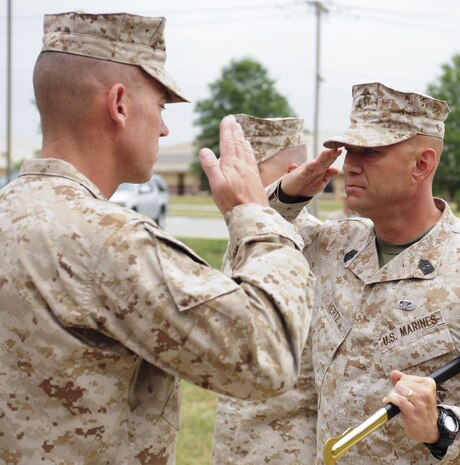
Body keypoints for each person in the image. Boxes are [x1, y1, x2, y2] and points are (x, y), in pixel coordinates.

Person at [0, 12, 315, 464]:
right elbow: (267, 356)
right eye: (163, 106)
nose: (165, 129)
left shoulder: (11, 210)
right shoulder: (108, 242)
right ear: (120, 104)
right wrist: (256, 214)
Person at [267, 82, 460, 464]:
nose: (350, 165)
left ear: (422, 164)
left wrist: (443, 425)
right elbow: (258, 236)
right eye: (350, 150)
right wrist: (288, 196)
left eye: (370, 152)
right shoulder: (334, 245)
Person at [213, 114, 320, 465]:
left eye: (246, 172)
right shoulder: (244, 238)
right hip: (234, 445)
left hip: (288, 452)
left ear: (294, 175)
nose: (231, 183)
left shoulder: (315, 245)